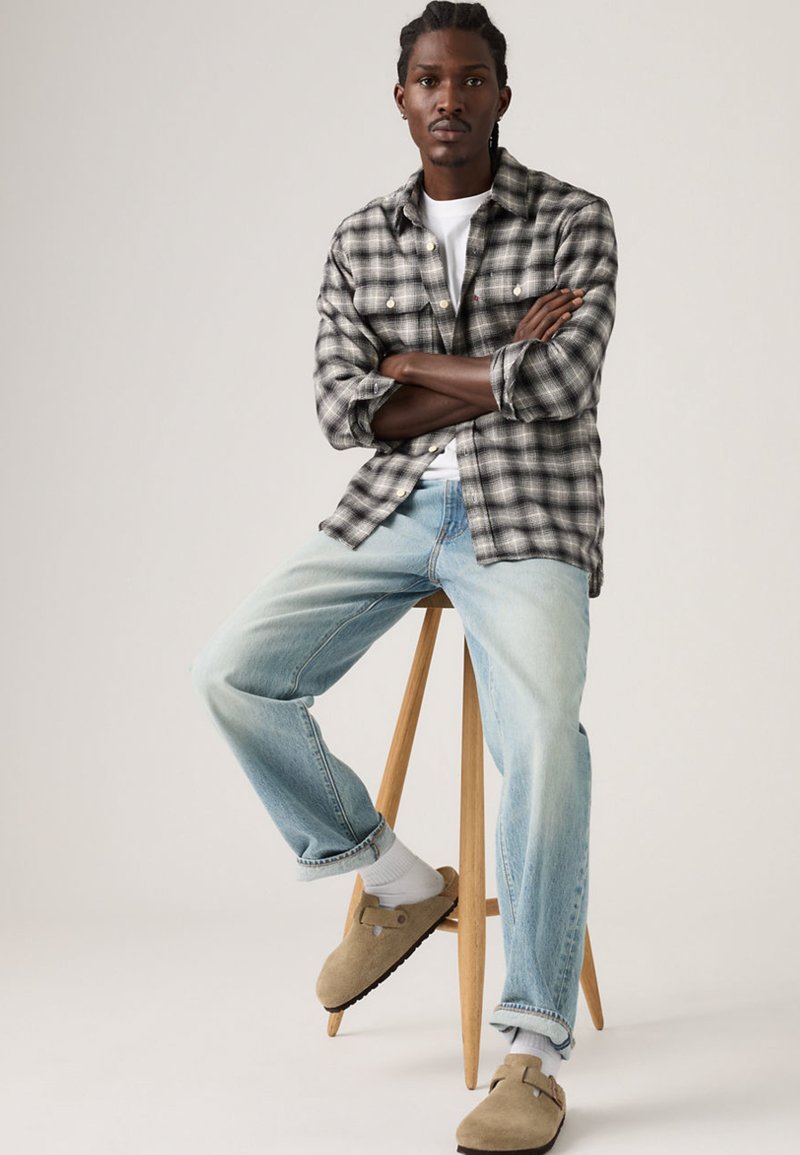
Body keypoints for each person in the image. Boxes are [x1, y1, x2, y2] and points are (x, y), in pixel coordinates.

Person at [191, 3, 617, 1150]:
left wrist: (411, 367)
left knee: (539, 743)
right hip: (390, 507)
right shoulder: (358, 236)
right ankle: (390, 878)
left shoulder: (575, 218)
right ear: (401, 97)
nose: (448, 98)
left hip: (528, 515)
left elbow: (558, 381)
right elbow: (346, 412)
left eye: (470, 79)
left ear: (500, 95)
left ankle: (528, 1052)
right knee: (233, 676)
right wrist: (492, 365)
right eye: (428, 79)